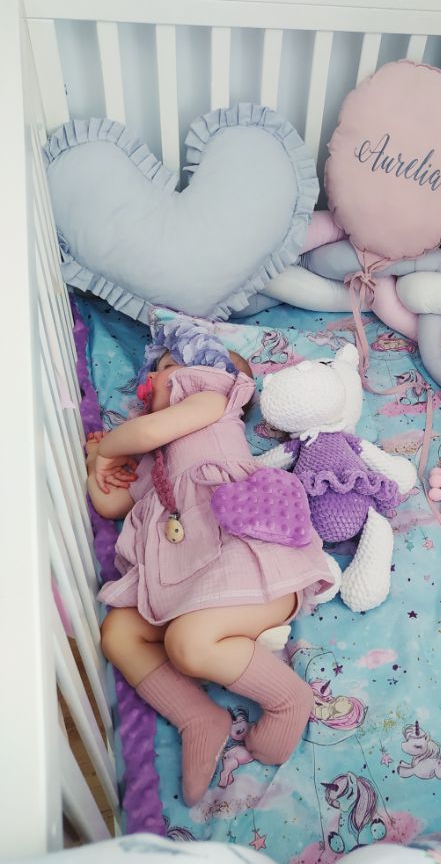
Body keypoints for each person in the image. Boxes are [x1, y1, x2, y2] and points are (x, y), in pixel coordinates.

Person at [86, 318, 336, 807]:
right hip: (188, 582)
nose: (149, 380)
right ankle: (197, 717)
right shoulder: (155, 462)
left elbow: (150, 427)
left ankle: (289, 699)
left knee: (186, 643)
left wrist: (113, 445)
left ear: (202, 370)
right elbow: (112, 503)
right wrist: (97, 463)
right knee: (118, 633)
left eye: (164, 367)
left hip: (246, 559)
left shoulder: (213, 398)